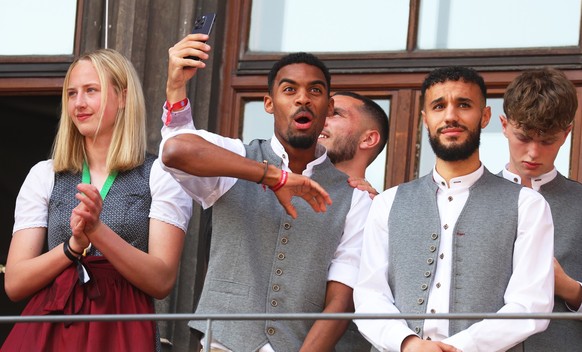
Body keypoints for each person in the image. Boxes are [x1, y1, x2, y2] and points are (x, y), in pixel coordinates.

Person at [159, 34, 372, 351]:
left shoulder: (353, 197)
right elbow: (175, 149)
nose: (302, 99)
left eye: (315, 91)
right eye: (290, 90)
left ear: (328, 107)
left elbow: (340, 301)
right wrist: (273, 177)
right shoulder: (235, 157)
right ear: (269, 103)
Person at [1, 48, 192, 352]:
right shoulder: (45, 174)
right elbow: (15, 283)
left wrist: (97, 231)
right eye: (72, 93)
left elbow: (162, 280)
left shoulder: (160, 174)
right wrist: (71, 247)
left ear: (124, 97)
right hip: (52, 331)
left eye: (91, 90)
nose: (79, 103)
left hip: (121, 332)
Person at [353, 66, 555, 352]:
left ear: (484, 117)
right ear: (426, 119)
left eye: (463, 104)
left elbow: (531, 305)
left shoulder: (528, 205)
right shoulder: (388, 202)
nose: (450, 116)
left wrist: (460, 347)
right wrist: (409, 343)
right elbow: (369, 296)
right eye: (439, 106)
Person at [499, 67, 582, 350]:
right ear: (504, 125)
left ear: (567, 133)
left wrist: (572, 289)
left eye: (547, 141)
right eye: (523, 137)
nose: (533, 152)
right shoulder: (467, 197)